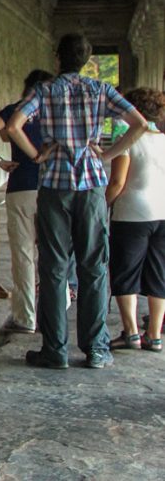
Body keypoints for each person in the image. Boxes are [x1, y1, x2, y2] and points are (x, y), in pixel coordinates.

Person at [5, 33, 149, 369]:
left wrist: (37, 155)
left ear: (58, 57)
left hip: (54, 186)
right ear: (86, 58)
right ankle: (96, 348)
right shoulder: (101, 90)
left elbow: (13, 126)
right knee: (94, 267)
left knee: (53, 266)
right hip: (91, 186)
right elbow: (139, 124)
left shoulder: (45, 90)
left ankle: (55, 349)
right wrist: (108, 154)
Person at [0, 69, 54, 333]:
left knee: (24, 255)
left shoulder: (13, 111)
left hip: (21, 187)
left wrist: (1, 162)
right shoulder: (57, 112)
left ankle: (26, 318)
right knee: (54, 253)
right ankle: (56, 314)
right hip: (52, 188)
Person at [104, 88, 165, 353]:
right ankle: (154, 335)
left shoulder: (127, 141)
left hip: (132, 214)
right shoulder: (163, 140)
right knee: (159, 274)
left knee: (125, 271)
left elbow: (117, 182)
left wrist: (102, 204)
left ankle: (130, 333)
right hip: (162, 212)